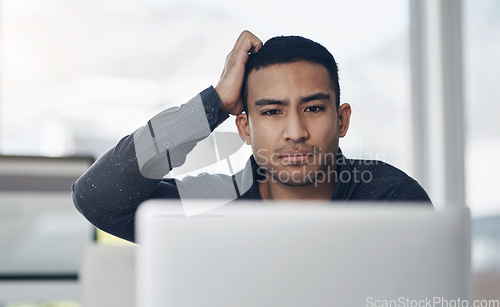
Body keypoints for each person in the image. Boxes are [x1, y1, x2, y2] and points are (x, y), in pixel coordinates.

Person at [72, 30, 431, 242]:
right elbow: (97, 197)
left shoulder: (391, 197)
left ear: (341, 120)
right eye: (272, 112)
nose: (296, 132)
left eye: (313, 108)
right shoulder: (207, 207)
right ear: (245, 128)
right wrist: (212, 104)